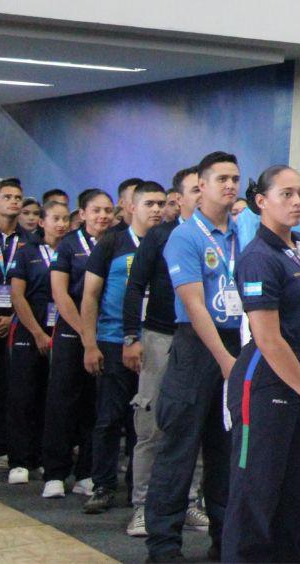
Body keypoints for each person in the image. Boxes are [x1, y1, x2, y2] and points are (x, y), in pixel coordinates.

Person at [223, 166, 300, 561]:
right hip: (267, 385)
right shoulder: (257, 258)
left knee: (295, 496)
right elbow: (269, 340)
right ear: (261, 201)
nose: (297, 202)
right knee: (256, 493)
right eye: (287, 194)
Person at [145, 151, 243, 563]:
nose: (231, 185)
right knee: (179, 448)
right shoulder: (185, 237)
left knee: (227, 450)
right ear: (201, 187)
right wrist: (224, 359)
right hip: (197, 347)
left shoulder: (243, 232)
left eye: (235, 178)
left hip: (237, 343)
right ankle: (164, 546)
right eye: (222, 179)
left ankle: (226, 539)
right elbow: (194, 304)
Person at [122, 166, 207, 537]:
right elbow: (134, 286)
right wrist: (131, 337)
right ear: (180, 197)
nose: (202, 194)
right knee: (152, 425)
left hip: (201, 338)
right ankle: (142, 506)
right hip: (159, 337)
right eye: (194, 189)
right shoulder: (161, 235)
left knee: (196, 422)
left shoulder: (218, 237)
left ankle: (188, 502)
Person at [81, 181, 166, 516]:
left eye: (161, 204)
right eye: (149, 204)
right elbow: (90, 296)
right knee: (109, 417)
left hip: (156, 343)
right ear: (132, 207)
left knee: (145, 420)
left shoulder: (168, 241)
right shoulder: (112, 242)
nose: (157, 210)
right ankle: (102, 485)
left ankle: (137, 487)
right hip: (113, 340)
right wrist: (90, 344)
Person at [43, 188, 115, 498]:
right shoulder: (69, 244)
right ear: (82, 214)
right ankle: (55, 473)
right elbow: (60, 294)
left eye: (108, 210)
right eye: (96, 210)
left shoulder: (117, 242)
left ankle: (87, 472)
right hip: (73, 332)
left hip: (105, 332)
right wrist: (86, 335)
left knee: (94, 404)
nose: (103, 216)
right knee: (62, 400)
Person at [5, 198, 70, 484]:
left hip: (62, 331)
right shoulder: (27, 252)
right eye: (55, 218)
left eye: (65, 218)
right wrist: (37, 333)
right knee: (23, 395)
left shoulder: (71, 251)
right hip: (30, 331)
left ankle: (46, 457)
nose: (61, 224)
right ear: (42, 223)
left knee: (53, 397)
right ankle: (20, 460)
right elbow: (17, 296)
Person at [0, 179, 33, 470]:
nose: (14, 201)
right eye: (8, 197)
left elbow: (32, 286)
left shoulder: (30, 239)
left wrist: (13, 316)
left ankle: (2, 445)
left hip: (15, 318)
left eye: (18, 197)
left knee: (8, 384)